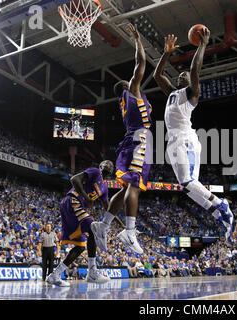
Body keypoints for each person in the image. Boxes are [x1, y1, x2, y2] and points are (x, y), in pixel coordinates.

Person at [153, 30, 234, 241]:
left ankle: (220, 204)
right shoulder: (172, 92)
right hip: (176, 141)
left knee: (188, 182)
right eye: (180, 74)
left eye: (185, 75)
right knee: (188, 187)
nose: (182, 74)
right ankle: (217, 213)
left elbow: (195, 70)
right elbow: (157, 75)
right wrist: (166, 53)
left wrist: (202, 46)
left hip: (185, 140)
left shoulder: (192, 93)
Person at [91, 23, 151, 255]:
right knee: (134, 184)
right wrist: (137, 40)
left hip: (131, 142)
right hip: (138, 142)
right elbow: (141, 64)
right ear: (127, 87)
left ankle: (103, 224)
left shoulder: (129, 101)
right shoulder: (132, 91)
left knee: (127, 186)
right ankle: (129, 229)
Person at [46, 160, 115, 287]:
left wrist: (113, 216)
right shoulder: (95, 171)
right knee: (94, 229)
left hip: (76, 207)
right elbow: (74, 179)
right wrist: (86, 197)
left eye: (111, 164)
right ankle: (92, 273)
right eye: (106, 163)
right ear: (100, 166)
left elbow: (108, 206)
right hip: (73, 200)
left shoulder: (105, 188)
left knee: (80, 247)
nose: (109, 164)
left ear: (112, 171)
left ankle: (55, 276)